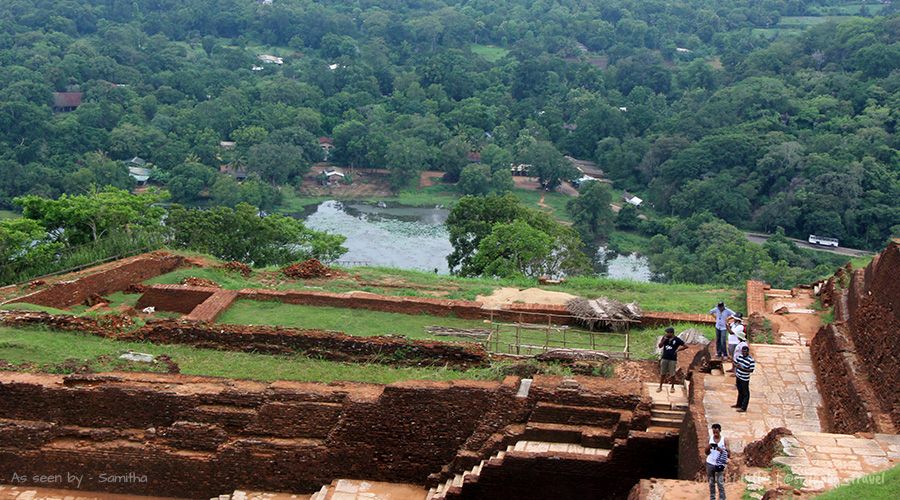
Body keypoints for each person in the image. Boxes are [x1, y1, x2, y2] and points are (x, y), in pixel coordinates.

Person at [657, 327, 687, 393]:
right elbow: (660, 346)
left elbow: (685, 346)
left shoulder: (677, 340)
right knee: (662, 373)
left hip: (672, 359)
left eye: (668, 333)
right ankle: (660, 387)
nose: (666, 334)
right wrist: (663, 340)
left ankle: (672, 387)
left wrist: (678, 350)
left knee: (672, 374)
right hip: (664, 358)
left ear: (671, 333)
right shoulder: (665, 338)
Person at [705, 423, 728, 500]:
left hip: (719, 464)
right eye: (713, 432)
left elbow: (729, 454)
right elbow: (706, 453)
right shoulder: (709, 439)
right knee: (711, 483)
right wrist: (708, 447)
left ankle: (722, 498)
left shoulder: (724, 440)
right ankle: (712, 498)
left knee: (720, 483)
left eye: (716, 432)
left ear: (720, 431)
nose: (715, 434)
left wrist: (722, 450)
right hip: (710, 463)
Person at [733, 345, 756, 412]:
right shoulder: (739, 357)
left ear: (748, 352)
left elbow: (751, 370)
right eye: (743, 351)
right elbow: (735, 363)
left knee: (745, 393)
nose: (743, 353)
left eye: (745, 352)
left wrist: (742, 369)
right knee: (740, 391)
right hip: (738, 376)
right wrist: (736, 365)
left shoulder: (751, 360)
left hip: (744, 378)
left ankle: (743, 407)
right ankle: (738, 404)